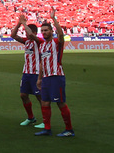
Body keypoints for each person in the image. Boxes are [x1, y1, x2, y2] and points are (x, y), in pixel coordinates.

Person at [34, 10, 74, 138]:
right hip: (46, 78)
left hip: (56, 77)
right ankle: (47, 128)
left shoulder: (56, 43)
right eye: (43, 31)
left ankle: (69, 129)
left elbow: (61, 35)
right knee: (45, 102)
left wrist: (54, 19)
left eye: (47, 30)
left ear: (51, 31)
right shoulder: (42, 46)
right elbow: (41, 63)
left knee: (60, 102)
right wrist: (39, 79)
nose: (44, 32)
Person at [10, 14, 45, 128]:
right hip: (26, 72)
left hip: (36, 73)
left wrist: (24, 23)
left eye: (27, 31)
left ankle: (45, 121)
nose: (26, 34)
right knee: (23, 95)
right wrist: (19, 23)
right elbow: (13, 35)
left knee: (40, 97)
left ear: (34, 32)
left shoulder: (39, 41)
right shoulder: (27, 41)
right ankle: (31, 118)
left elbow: (30, 34)